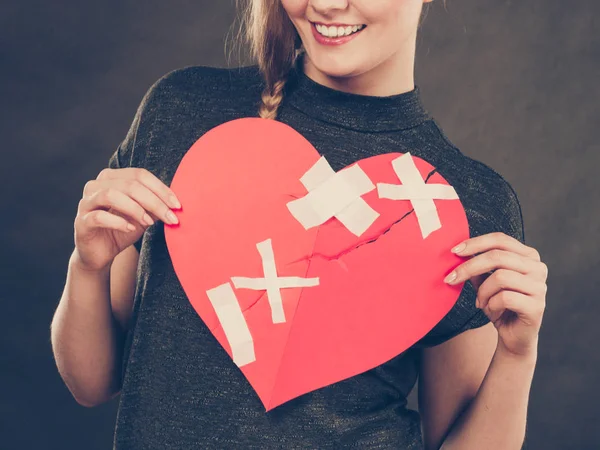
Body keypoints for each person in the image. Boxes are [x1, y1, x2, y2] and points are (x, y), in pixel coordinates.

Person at [51, 1, 548, 448]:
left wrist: (517, 356)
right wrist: (87, 265)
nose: (327, 4)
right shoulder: (182, 112)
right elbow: (92, 382)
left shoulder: (462, 203)